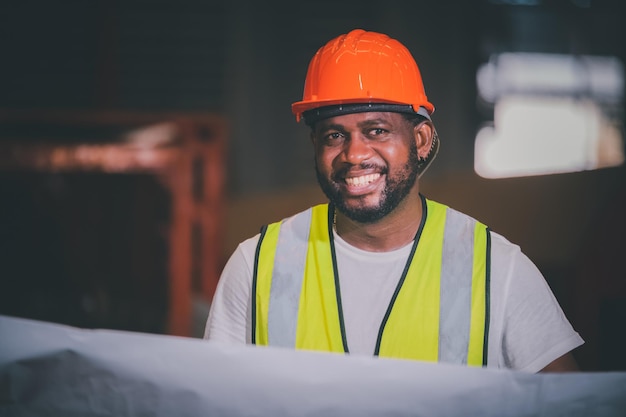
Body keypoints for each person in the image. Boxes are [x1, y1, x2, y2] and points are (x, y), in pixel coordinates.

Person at [204, 29, 584, 372]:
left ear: (419, 140)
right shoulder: (257, 265)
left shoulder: (496, 269)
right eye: (334, 136)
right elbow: (213, 402)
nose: (354, 154)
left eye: (377, 130)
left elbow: (570, 405)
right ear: (315, 145)